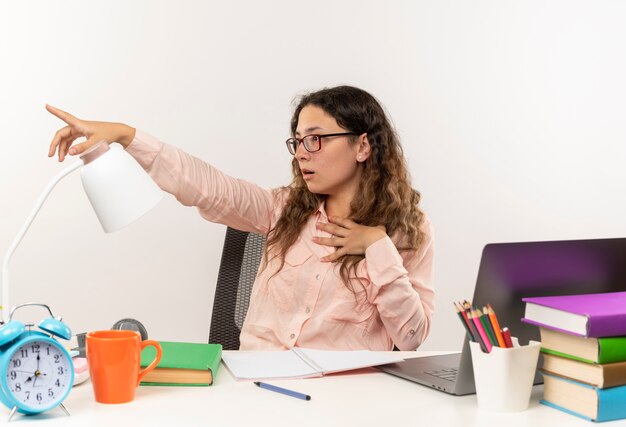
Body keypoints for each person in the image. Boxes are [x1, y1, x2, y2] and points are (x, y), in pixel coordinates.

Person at [47, 85, 434, 351]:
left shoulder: (408, 232)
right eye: (297, 141)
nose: (302, 152)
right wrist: (125, 135)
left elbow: (413, 336)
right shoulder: (280, 210)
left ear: (362, 145)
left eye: (315, 138)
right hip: (256, 390)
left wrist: (377, 248)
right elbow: (206, 186)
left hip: (345, 403)